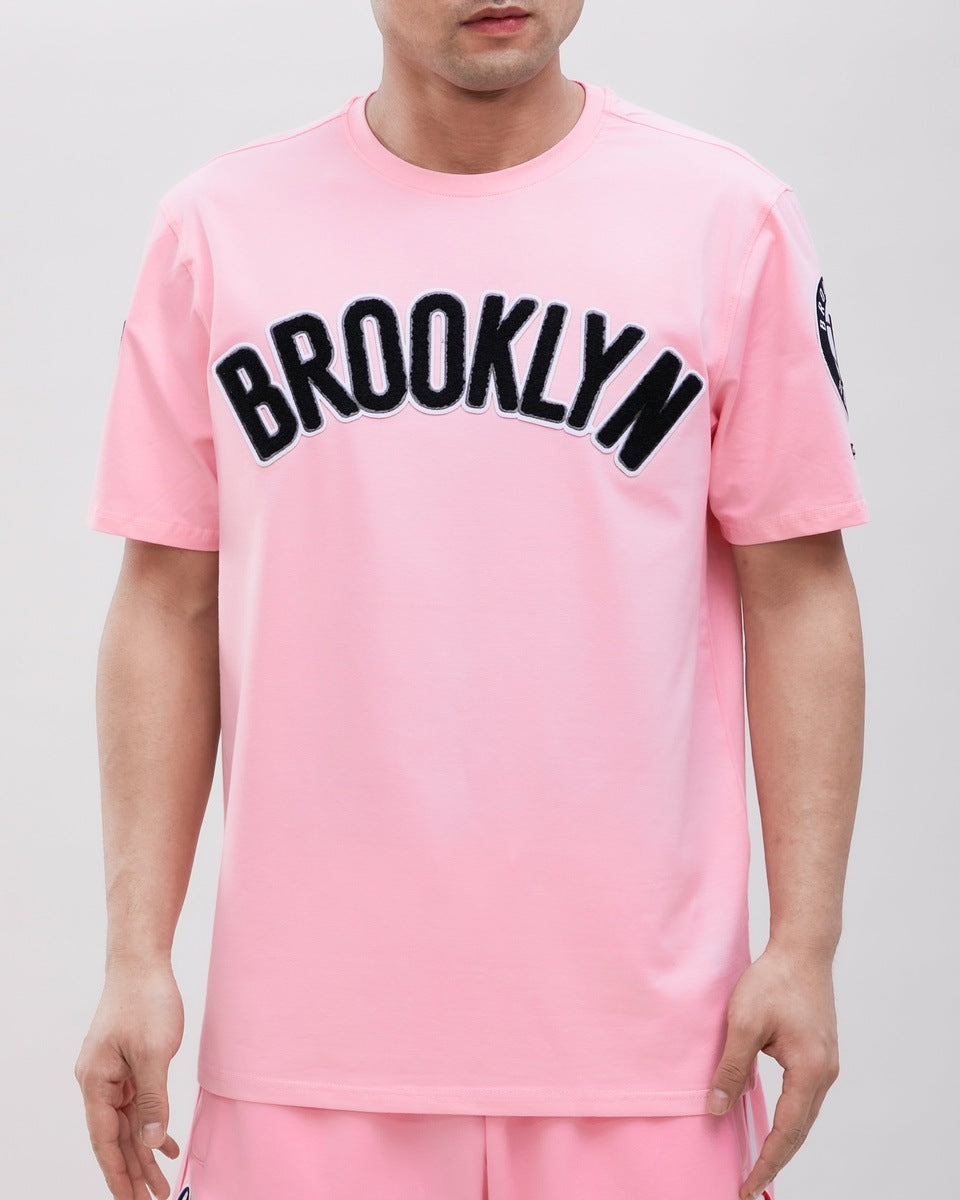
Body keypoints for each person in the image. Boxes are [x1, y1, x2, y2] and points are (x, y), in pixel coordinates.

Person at [74, 2, 869, 1198]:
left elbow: (800, 591)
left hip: (654, 1052)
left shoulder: (728, 218)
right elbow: (166, 601)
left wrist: (806, 944)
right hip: (308, 1043)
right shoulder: (217, 230)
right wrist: (134, 955)